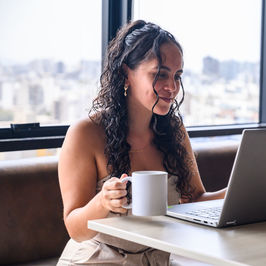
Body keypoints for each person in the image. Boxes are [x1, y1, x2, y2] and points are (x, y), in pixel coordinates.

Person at [57, 20, 226, 265]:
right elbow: (75, 229)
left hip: (157, 258)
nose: (172, 87)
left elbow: (195, 199)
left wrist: (239, 192)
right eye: (160, 74)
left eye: (177, 76)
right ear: (126, 73)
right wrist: (102, 201)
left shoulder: (174, 130)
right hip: (97, 257)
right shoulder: (86, 133)